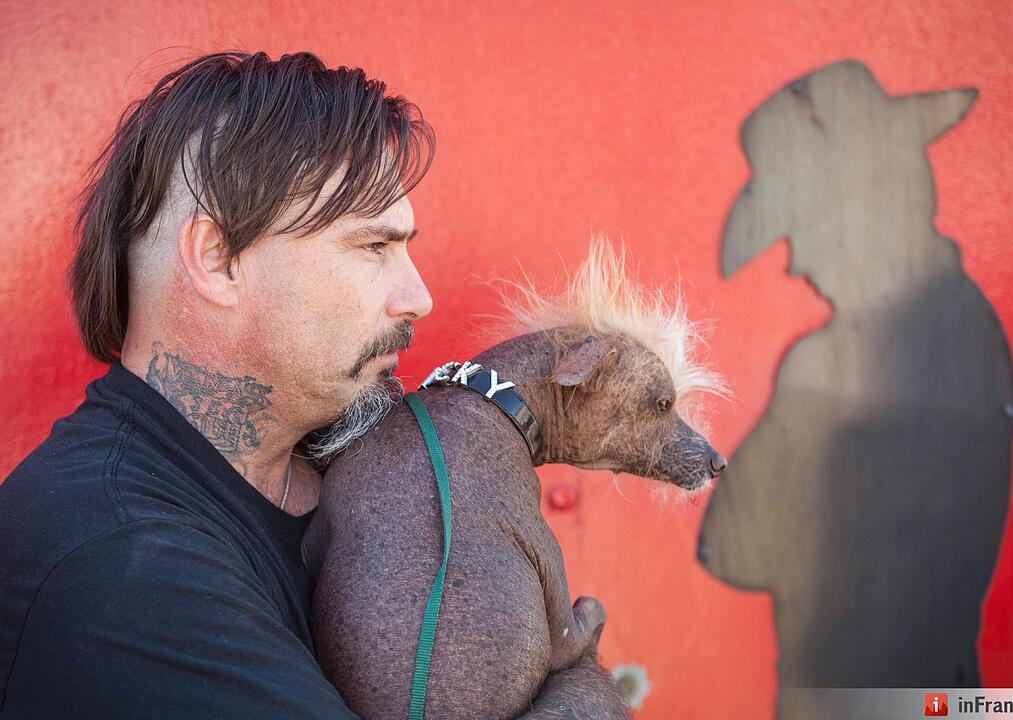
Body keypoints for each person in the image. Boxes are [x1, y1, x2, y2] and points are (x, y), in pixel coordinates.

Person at [0, 50, 627, 719]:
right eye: (371, 248)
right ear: (218, 260)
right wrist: (583, 678)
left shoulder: (345, 466)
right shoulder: (116, 560)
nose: (417, 298)